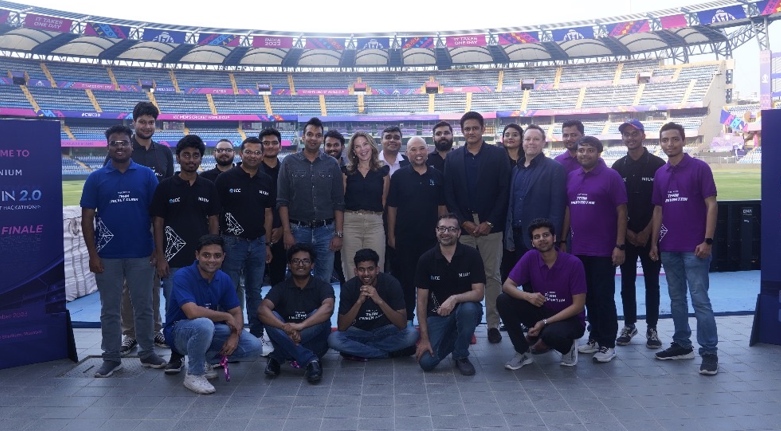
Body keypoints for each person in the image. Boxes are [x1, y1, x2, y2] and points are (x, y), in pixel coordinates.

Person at [81, 124, 167, 377]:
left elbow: (157, 217)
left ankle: (148, 353)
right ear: (108, 147)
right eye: (114, 143)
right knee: (110, 309)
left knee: (144, 306)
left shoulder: (146, 176)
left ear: (131, 146)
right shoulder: (96, 178)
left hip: (142, 253)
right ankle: (111, 357)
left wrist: (157, 250)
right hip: (107, 256)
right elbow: (87, 220)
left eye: (124, 143)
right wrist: (93, 254)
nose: (120, 147)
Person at [649, 122, 719, 375]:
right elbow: (658, 210)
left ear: (683, 141)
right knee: (677, 300)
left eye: (674, 139)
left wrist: (707, 240)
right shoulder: (661, 173)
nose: (670, 144)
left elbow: (711, 205)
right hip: (669, 248)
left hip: (696, 248)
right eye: (665, 140)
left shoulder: (700, 168)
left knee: (700, 301)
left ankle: (709, 352)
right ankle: (681, 344)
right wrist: (654, 243)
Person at [150, 135, 221, 374]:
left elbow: (213, 222)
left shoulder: (208, 187)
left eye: (196, 155)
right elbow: (157, 223)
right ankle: (176, 355)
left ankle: (206, 355)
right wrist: (160, 256)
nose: (191, 160)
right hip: (174, 261)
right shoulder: (165, 187)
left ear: (201, 158)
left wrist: (213, 255)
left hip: (203, 262)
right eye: (186, 155)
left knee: (204, 307)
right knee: (175, 308)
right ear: (178, 157)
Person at [443, 111, 511, 344]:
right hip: (463, 227)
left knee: (492, 276)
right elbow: (449, 194)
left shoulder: (498, 155)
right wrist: (463, 222)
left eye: (475, 128)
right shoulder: (452, 158)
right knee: (461, 276)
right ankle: (464, 324)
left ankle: (493, 324)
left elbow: (504, 190)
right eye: (467, 129)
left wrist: (490, 222)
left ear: (483, 129)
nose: (471, 132)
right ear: (462, 132)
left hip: (491, 226)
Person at [164, 235, 262, 394]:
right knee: (204, 324)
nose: (211, 260)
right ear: (197, 255)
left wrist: (235, 335)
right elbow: (191, 312)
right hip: (179, 333)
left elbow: (236, 311)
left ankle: (204, 359)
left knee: (254, 347)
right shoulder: (183, 275)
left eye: (217, 256)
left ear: (224, 256)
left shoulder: (223, 279)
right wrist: (226, 317)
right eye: (206, 255)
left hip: (207, 330)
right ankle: (194, 374)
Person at [563, 136, 627, 363]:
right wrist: (562, 240)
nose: (585, 154)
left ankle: (608, 343)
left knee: (604, 297)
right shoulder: (572, 176)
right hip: (578, 249)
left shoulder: (611, 177)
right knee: (586, 296)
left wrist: (619, 245)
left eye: (590, 150)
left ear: (599, 153)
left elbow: (622, 212)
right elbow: (569, 210)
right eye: (581, 150)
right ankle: (595, 337)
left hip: (603, 249)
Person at [117, 102, 174, 356]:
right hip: (133, 225)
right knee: (130, 283)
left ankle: (154, 330)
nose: (147, 126)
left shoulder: (164, 152)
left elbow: (171, 189)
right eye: (142, 121)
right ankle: (129, 333)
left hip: (159, 225)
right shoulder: (125, 150)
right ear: (134, 123)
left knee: (155, 281)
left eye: (151, 122)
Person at [497, 218, 586, 370]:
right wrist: (528, 296)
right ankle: (522, 352)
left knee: (551, 334)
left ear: (554, 238)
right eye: (536, 237)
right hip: (542, 311)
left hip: (569, 318)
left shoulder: (573, 263)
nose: (542, 240)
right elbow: (507, 286)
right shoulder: (531, 257)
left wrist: (544, 323)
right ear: (532, 242)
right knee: (503, 300)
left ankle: (568, 347)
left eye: (545, 235)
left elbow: (578, 306)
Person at [611, 120, 666, 349]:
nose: (630, 138)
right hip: (627, 236)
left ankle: (652, 328)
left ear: (643, 135)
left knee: (653, 283)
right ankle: (630, 324)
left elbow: (661, 205)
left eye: (634, 133)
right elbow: (615, 207)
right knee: (627, 284)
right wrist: (628, 235)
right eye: (626, 134)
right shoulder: (617, 166)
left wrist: (646, 233)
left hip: (650, 236)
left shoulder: (657, 164)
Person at [214, 137, 274, 339]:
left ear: (262, 155)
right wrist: (217, 244)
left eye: (257, 153)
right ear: (241, 154)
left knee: (254, 291)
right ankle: (231, 334)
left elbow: (268, 214)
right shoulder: (225, 179)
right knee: (229, 291)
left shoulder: (266, 180)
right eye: (249, 152)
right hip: (232, 243)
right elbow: (214, 214)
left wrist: (266, 244)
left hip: (257, 243)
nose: (253, 156)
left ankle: (256, 335)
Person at [415, 213, 485, 375]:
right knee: (426, 363)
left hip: (466, 311)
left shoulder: (472, 255)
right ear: (436, 231)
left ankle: (460, 355)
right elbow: (421, 301)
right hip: (437, 316)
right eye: (442, 228)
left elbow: (479, 293)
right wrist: (424, 339)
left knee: (468, 309)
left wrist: (454, 299)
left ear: (459, 233)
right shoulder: (426, 260)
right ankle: (458, 336)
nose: (446, 233)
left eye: (451, 229)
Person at [387, 136, 447, 326]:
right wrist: (391, 235)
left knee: (431, 281)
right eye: (413, 149)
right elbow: (392, 208)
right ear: (407, 153)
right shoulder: (398, 176)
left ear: (427, 150)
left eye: (421, 149)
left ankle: (431, 319)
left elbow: (442, 208)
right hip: (405, 239)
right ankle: (407, 320)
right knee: (405, 282)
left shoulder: (437, 176)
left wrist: (441, 235)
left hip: (431, 240)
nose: (418, 153)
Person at [277, 117, 345, 284]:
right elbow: (282, 200)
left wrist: (338, 233)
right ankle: (297, 311)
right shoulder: (288, 163)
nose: (313, 138)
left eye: (317, 135)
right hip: (298, 231)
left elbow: (338, 201)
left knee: (323, 281)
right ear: (303, 137)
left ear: (322, 139)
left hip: (326, 232)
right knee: (296, 279)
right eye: (310, 134)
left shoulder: (332, 164)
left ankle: (322, 311)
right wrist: (286, 232)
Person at [258, 244, 335, 383]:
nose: (300, 264)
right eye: (296, 261)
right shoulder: (281, 287)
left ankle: (277, 357)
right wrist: (284, 327)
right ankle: (310, 360)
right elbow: (262, 310)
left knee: (320, 313)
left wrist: (301, 326)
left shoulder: (322, 286)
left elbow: (329, 307)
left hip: (315, 345)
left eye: (305, 261)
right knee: (270, 315)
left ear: (312, 265)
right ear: (289, 265)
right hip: (287, 336)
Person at [328, 249, 419, 360]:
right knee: (334, 339)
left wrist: (379, 300)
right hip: (359, 332)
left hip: (386, 331)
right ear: (356, 271)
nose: (366, 274)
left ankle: (360, 351)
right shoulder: (349, 287)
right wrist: (359, 302)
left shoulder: (391, 283)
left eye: (370, 269)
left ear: (377, 270)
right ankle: (387, 354)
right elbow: (342, 327)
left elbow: (402, 324)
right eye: (362, 270)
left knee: (412, 334)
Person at [505, 124, 567, 263]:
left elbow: (557, 208)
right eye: (527, 139)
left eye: (536, 139)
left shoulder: (555, 169)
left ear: (544, 142)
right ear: (522, 142)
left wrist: (550, 238)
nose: (531, 142)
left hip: (541, 238)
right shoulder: (516, 169)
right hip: (517, 236)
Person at [341, 132, 390, 277]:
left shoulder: (384, 172)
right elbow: (341, 201)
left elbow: (383, 201)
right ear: (353, 151)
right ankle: (355, 298)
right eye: (357, 146)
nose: (362, 149)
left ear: (371, 145)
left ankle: (374, 299)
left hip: (375, 223)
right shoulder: (346, 172)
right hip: (350, 223)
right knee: (351, 266)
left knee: (377, 265)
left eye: (365, 144)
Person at [260, 129, 286, 288]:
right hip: (257, 236)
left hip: (281, 235)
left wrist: (283, 228)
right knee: (254, 285)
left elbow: (293, 202)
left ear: (280, 146)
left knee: (279, 282)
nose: (270, 146)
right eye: (266, 143)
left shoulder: (286, 171)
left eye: (274, 143)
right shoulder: (252, 171)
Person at [324, 130, 348, 285]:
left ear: (342, 147)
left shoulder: (351, 169)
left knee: (344, 271)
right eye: (328, 145)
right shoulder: (317, 169)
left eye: (336, 145)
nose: (332, 148)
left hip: (346, 227)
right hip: (323, 227)